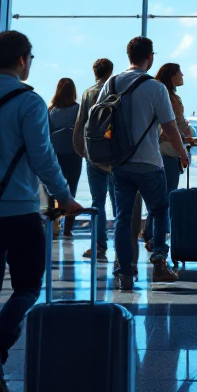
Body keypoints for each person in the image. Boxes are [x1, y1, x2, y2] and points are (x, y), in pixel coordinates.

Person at [0, 30, 82, 392]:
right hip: (20, 208)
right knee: (27, 286)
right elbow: (43, 157)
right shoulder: (28, 100)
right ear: (23, 60)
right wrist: (64, 197)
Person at [103, 36, 188, 291]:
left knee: (123, 217)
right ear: (150, 57)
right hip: (150, 162)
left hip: (120, 164)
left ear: (129, 56)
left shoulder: (113, 82)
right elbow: (170, 127)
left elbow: (99, 120)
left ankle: (123, 271)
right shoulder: (156, 88)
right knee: (160, 211)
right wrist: (182, 153)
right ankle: (159, 261)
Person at [142, 63, 194, 251]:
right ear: (172, 76)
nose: (183, 75)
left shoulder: (154, 93)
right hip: (168, 152)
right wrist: (189, 134)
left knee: (158, 196)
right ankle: (155, 238)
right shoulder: (171, 98)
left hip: (154, 151)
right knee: (166, 197)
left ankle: (149, 233)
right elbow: (177, 125)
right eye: (180, 72)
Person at [73, 58, 115, 261]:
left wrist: (81, 150)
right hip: (115, 155)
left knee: (97, 200)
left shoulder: (88, 93)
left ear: (94, 72)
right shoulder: (117, 91)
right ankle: (123, 246)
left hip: (93, 154)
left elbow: (80, 123)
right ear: (111, 71)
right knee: (119, 202)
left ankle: (99, 246)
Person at [48, 78, 83, 238]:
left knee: (53, 190)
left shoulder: (51, 110)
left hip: (55, 154)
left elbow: (46, 134)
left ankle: (53, 226)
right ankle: (68, 228)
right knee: (72, 190)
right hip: (73, 153)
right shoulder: (78, 109)